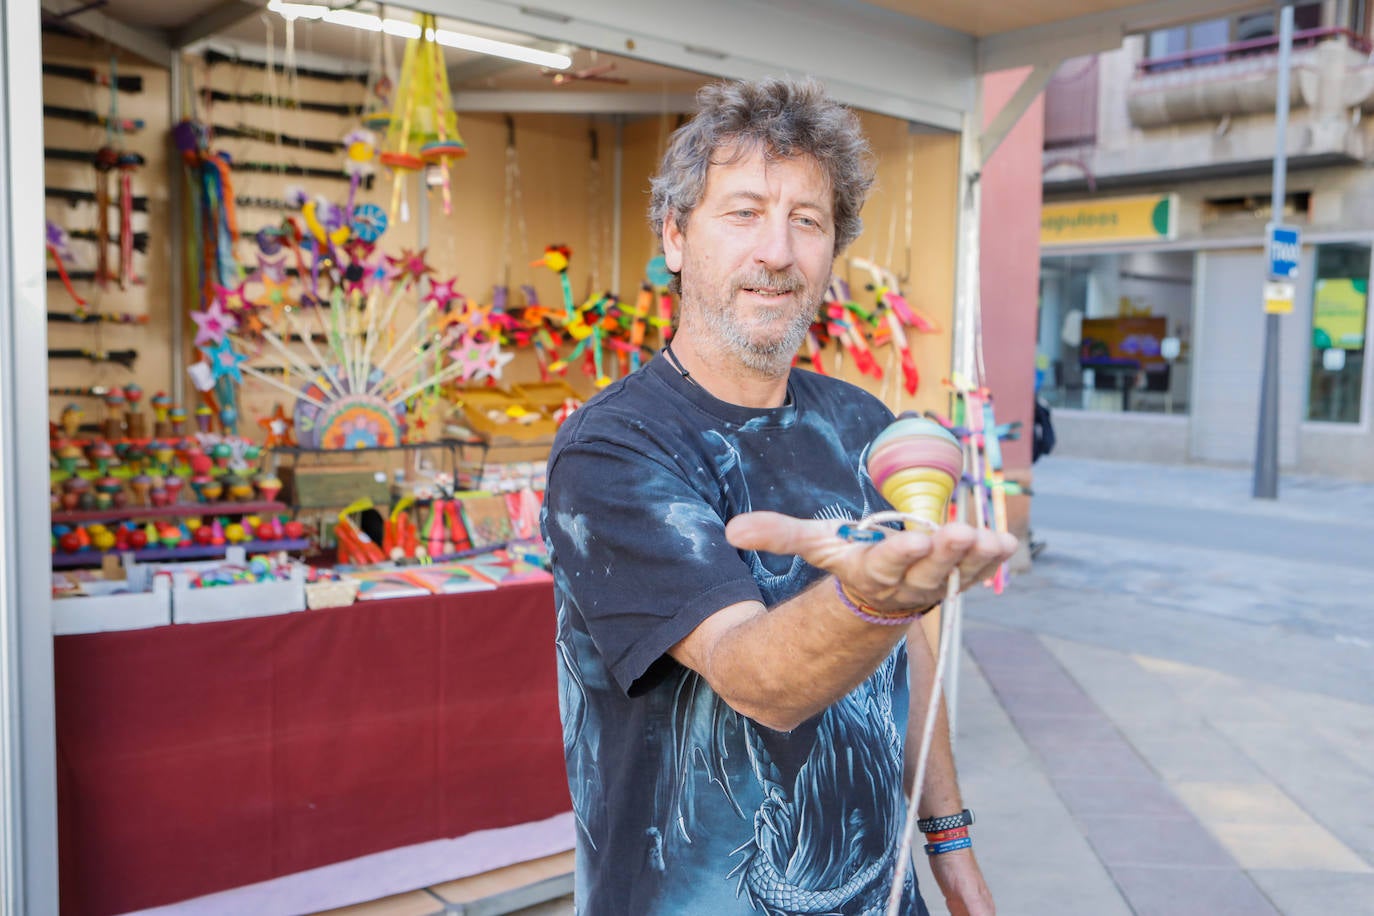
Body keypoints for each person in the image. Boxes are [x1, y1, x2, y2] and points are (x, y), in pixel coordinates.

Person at [541, 77, 1017, 916]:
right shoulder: (614, 451)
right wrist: (874, 599)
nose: (777, 251)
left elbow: (908, 661)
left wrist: (952, 852)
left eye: (808, 220)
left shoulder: (860, 423)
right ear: (676, 237)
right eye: (744, 212)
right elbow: (755, 679)